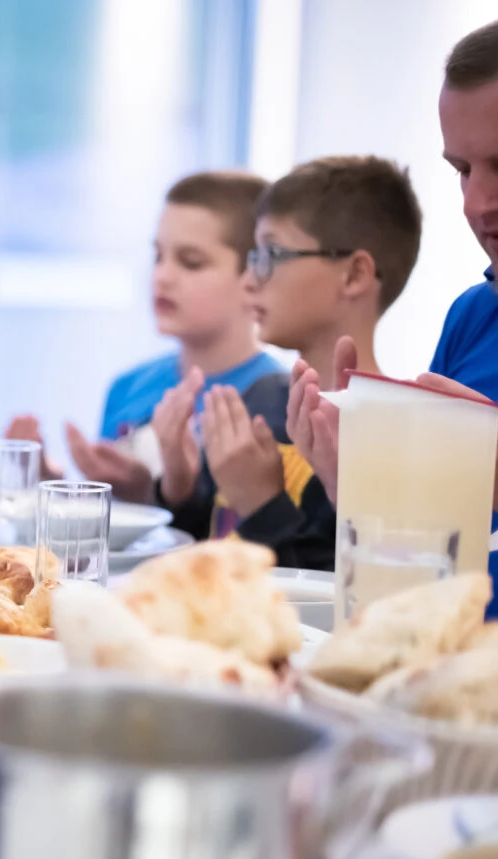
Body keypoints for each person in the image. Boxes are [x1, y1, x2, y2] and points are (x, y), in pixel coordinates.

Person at [290, 10, 498, 616]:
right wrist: (366, 500)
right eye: (462, 171)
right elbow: (430, 585)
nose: (477, 203)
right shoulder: (475, 317)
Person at [196, 156, 422, 569]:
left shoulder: (396, 437)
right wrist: (165, 490)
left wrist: (263, 504)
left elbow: (342, 589)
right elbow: (209, 540)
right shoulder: (261, 399)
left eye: (271, 254)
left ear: (353, 275)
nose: (249, 280)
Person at [9, 171, 281, 502]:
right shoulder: (128, 387)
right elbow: (114, 525)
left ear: (255, 275)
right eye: (158, 256)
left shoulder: (276, 401)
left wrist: (153, 494)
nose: (161, 276)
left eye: (191, 262)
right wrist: (49, 484)